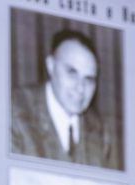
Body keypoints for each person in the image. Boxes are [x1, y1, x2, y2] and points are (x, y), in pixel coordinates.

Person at [11, 29, 116, 168]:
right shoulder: (13, 111)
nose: (80, 88)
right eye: (72, 73)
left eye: (89, 79)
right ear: (51, 66)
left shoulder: (99, 131)